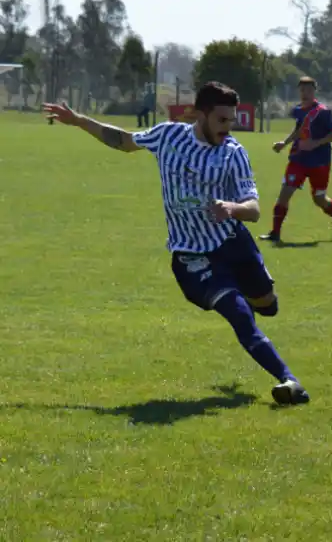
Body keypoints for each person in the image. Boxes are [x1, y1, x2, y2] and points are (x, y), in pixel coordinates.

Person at [41, 81, 310, 406]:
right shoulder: (169, 136)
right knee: (240, 315)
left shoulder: (233, 154)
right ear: (201, 114)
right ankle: (289, 381)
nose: (229, 127)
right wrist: (80, 121)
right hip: (193, 256)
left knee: (267, 306)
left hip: (233, 244)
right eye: (222, 120)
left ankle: (252, 299)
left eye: (232, 120)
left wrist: (232, 208)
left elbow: (253, 210)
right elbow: (125, 141)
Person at [259, 76, 332, 243]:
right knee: (285, 193)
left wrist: (316, 143)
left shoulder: (323, 112)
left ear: (314, 91)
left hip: (319, 163)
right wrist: (284, 143)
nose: (304, 93)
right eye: (302, 90)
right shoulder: (299, 110)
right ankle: (275, 233)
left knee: (319, 199)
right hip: (298, 159)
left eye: (308, 90)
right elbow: (299, 129)